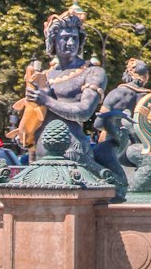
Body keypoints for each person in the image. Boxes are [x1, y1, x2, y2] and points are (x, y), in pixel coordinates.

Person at [24, 10, 107, 165]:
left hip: (72, 151)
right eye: (65, 38)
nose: (71, 43)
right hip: (42, 150)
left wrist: (47, 101)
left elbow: (84, 112)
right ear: (53, 41)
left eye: (75, 38)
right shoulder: (44, 76)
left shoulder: (93, 72)